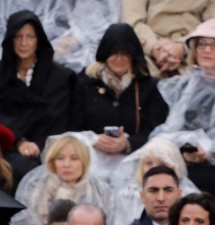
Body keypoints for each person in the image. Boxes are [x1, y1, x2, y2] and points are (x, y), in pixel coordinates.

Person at [149, 18, 215, 201]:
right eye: (202, 44)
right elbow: (170, 128)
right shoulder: (183, 84)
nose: (207, 50)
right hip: (181, 159)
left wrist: (210, 152)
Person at [0, 11, 75, 184]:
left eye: (30, 36)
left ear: (38, 40)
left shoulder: (60, 78)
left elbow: (59, 118)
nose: (24, 43)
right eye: (18, 37)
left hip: (50, 148)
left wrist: (38, 146)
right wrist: (19, 140)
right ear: (10, 39)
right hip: (7, 147)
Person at [0, 0, 122, 71]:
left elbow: (105, 26)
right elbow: (18, 15)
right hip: (33, 45)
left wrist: (77, 39)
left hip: (80, 52)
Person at [69, 23, 168, 161]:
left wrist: (128, 143)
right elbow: (72, 125)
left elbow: (157, 129)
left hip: (136, 160)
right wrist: (93, 139)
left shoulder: (148, 86)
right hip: (89, 159)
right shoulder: (86, 82)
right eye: (113, 53)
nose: (119, 59)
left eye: (125, 54)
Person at [121, 0, 215, 76]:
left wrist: (183, 47)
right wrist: (154, 47)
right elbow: (131, 20)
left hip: (197, 53)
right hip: (146, 49)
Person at [12, 134, 111, 225]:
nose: (66, 164)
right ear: (52, 161)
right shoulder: (36, 187)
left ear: (84, 161)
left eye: (74, 158)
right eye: (60, 158)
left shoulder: (98, 190)